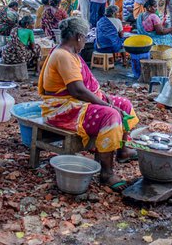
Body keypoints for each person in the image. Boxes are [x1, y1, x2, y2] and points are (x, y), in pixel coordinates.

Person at [38, 17, 139, 191]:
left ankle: (123, 150)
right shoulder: (63, 55)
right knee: (111, 115)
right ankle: (106, 172)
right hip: (63, 108)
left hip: (75, 101)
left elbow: (85, 88)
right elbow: (77, 90)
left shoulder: (71, 53)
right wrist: (106, 105)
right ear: (78, 37)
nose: (85, 42)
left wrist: (105, 98)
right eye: (85, 38)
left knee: (124, 104)